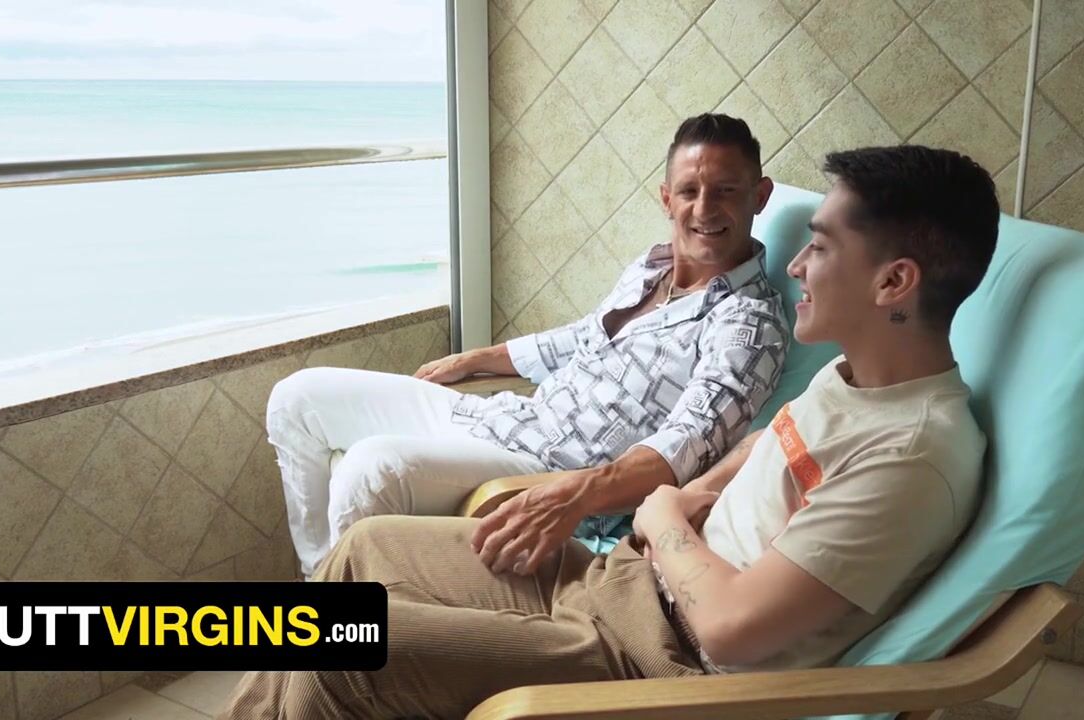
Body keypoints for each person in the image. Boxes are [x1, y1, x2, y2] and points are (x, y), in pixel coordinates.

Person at [221, 144, 1000, 719]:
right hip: (619, 582)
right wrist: (693, 497)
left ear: (894, 282)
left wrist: (661, 514)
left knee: (349, 652)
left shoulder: (910, 457)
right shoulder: (854, 378)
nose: (796, 264)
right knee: (361, 554)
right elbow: (768, 442)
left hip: (659, 663)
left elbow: (730, 631)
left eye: (821, 247)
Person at [267, 113, 788, 578]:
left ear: (759, 196)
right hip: (505, 418)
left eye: (726, 191)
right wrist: (474, 359)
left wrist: (576, 495)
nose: (704, 209)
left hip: (550, 467)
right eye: (690, 190)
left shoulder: (749, 323)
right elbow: (583, 336)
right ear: (666, 198)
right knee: (297, 400)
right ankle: (320, 578)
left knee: (370, 469)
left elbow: (682, 449)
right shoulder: (651, 268)